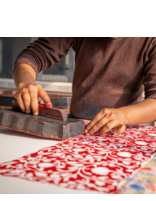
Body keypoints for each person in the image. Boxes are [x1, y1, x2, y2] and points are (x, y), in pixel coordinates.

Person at [14, 37, 156, 136]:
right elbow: (32, 56)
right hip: (76, 131)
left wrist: (124, 115)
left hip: (121, 135)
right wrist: (25, 84)